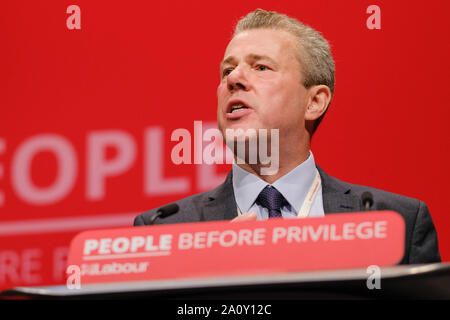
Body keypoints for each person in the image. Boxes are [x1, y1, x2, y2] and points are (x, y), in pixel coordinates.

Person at [134, 9, 441, 264]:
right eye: (227, 71)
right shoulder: (163, 231)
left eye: (261, 66)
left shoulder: (395, 221)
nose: (234, 79)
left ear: (314, 101)